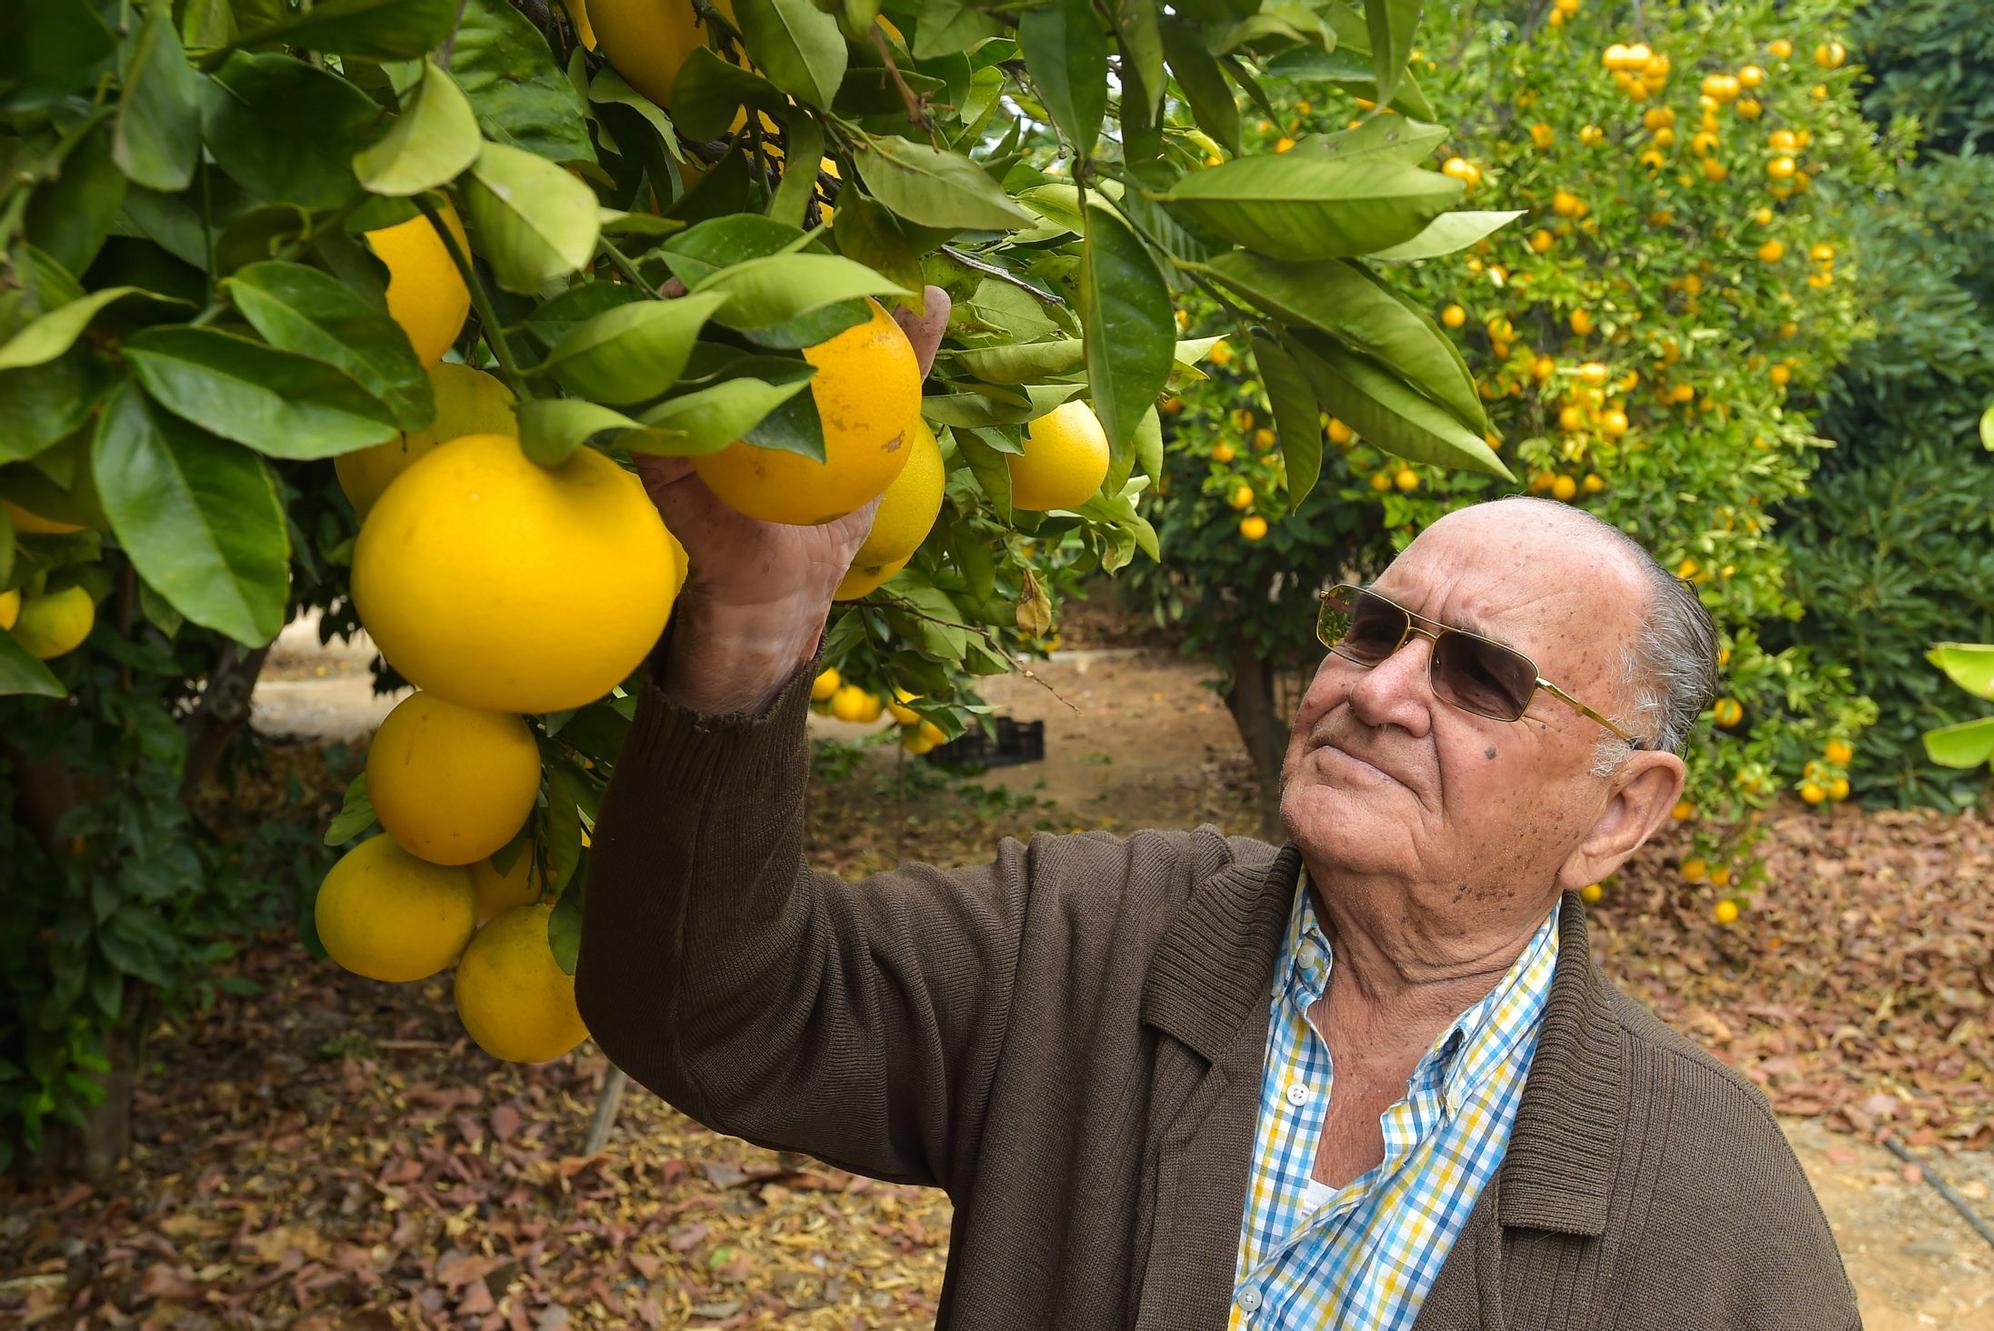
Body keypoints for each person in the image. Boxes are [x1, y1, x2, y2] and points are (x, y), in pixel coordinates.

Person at [576, 289, 1858, 1330]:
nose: (1382, 691)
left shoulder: (1707, 1192)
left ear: (1619, 812)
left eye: (1481, 674)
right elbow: (712, 1009)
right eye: (1371, 629)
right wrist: (751, 633)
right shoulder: (1081, 938)